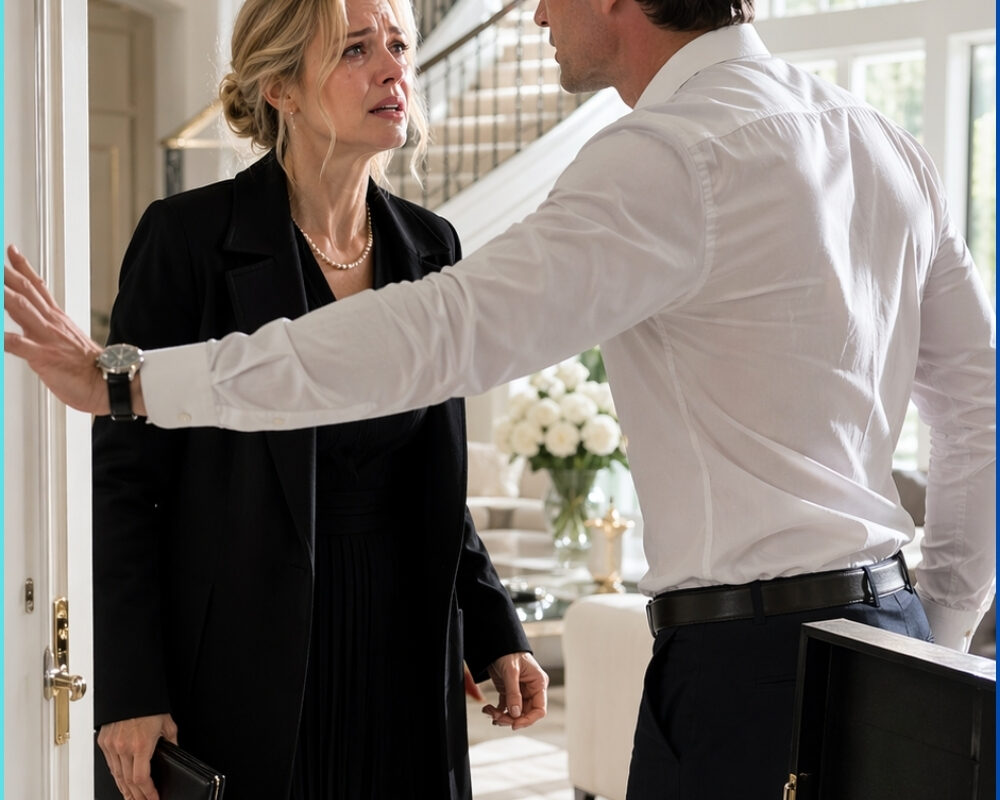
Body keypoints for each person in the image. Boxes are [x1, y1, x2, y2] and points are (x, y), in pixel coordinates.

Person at [5, 0, 995, 798]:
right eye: (358, 47)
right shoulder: (886, 143)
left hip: (741, 669)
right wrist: (934, 627)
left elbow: (434, 339)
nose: (534, 15)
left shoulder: (662, 159)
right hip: (890, 643)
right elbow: (981, 408)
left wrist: (131, 379)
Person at [64, 1, 549, 799]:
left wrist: (494, 625)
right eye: (356, 50)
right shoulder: (186, 239)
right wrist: (130, 688)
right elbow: (124, 483)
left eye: (399, 44)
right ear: (281, 87)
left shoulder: (431, 246)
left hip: (403, 640)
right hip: (239, 653)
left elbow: (434, 473)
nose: (393, 69)